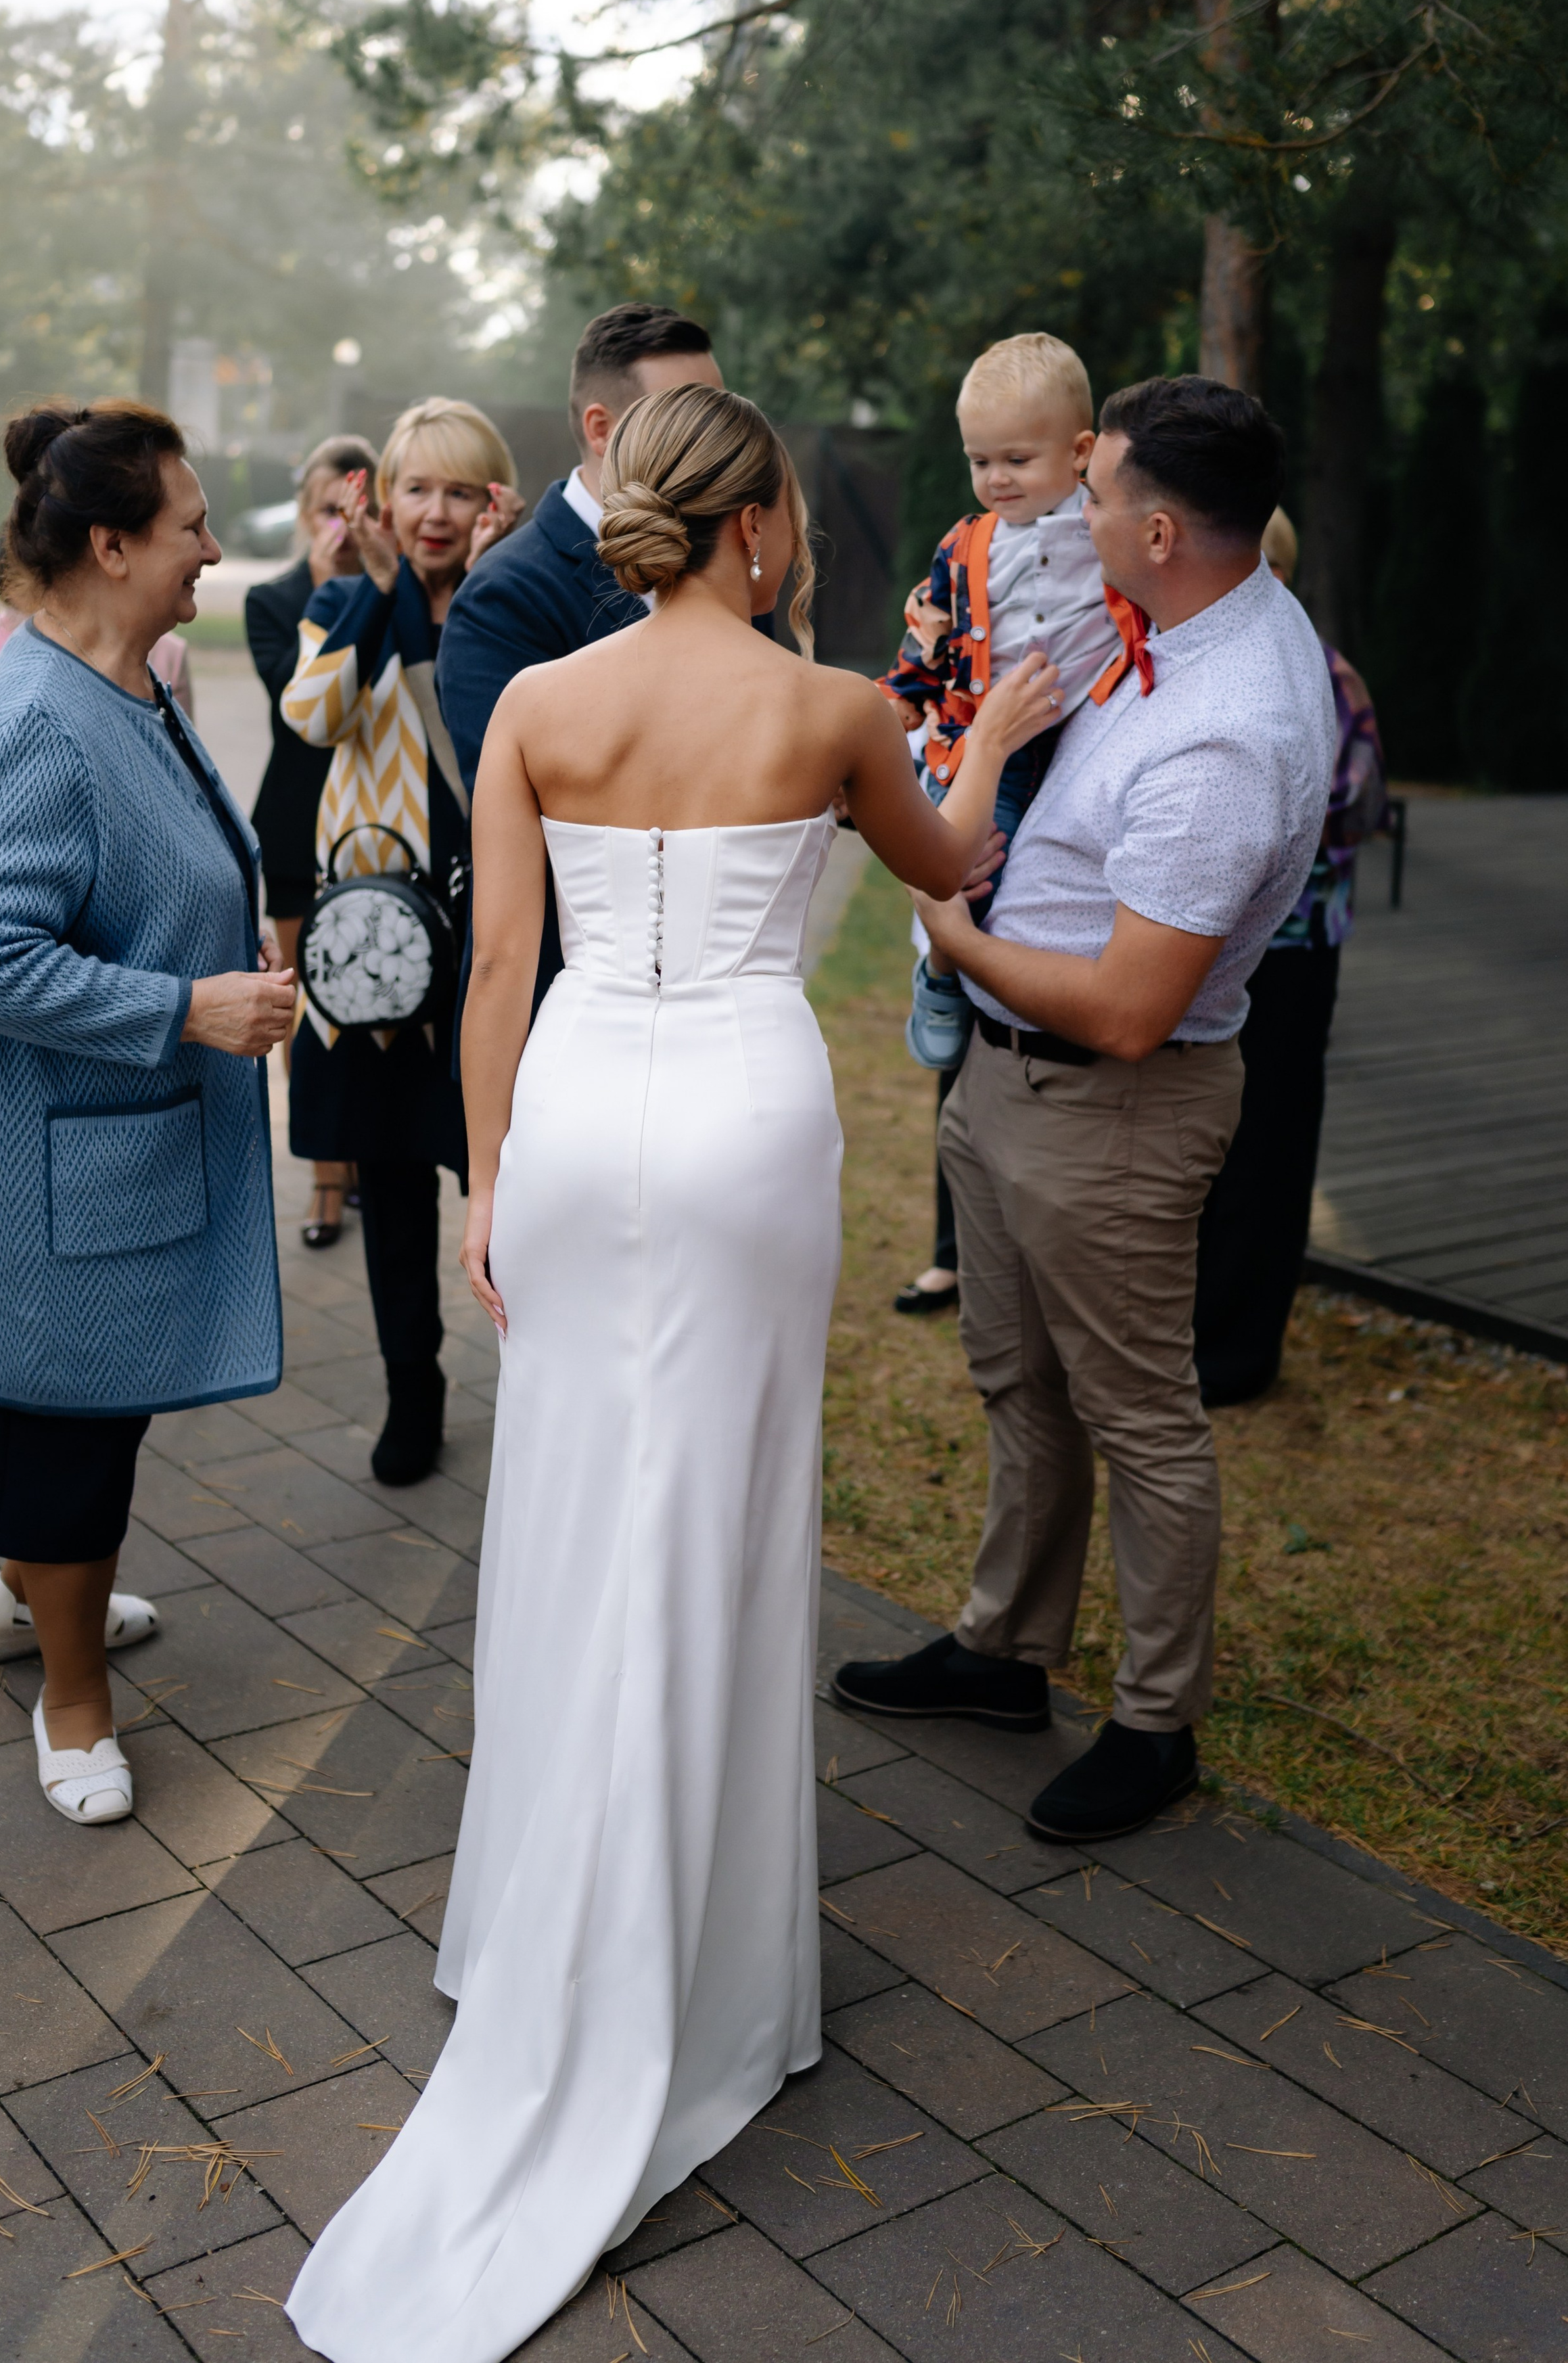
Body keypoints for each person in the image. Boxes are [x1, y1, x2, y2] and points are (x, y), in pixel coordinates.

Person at [283, 383, 1064, 2363]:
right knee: (720, 1515)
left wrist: (486, 1183)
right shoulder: (834, 714)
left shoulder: (537, 699)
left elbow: (488, 966)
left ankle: (556, 1922)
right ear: (757, 528)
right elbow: (950, 867)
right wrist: (986, 725)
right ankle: (710, 1980)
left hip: (570, 1109)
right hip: (734, 1121)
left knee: (566, 1516)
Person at [833, 375, 1336, 1843]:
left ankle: (1153, 1722)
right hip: (1009, 1079)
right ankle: (1003, 1650)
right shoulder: (1171, 626)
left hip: (1107, 1105)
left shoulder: (1226, 731)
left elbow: (1126, 1008)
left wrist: (949, 925)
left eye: (1097, 491)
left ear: (1161, 527)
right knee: (1020, 1382)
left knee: (1136, 1415)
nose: (1073, 509)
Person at [0, 400, 290, 1824]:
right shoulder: (40, 719)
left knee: (87, 1426)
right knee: (64, 1444)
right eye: (190, 523)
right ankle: (71, 1705)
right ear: (114, 544)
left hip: (101, 1162)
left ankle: (23, 1598)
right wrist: (186, 1009)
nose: (209, 547)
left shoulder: (122, 679)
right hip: (45, 1171)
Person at [279, 398, 522, 1488]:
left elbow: (481, 748)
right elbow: (311, 717)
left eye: (460, 490)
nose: (435, 512)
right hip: (373, 954)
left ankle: (539, 1386)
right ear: (381, 498)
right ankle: (411, 1387)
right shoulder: (340, 599)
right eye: (416, 487)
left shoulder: (511, 606)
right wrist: (379, 595)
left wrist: (481, 584)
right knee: (389, 1179)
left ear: (492, 504)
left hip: (486, 941)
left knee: (508, 1172)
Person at [880, 333, 1137, 1316]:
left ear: (1078, 453)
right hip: (980, 738)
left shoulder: (1106, 530)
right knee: (966, 866)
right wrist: (901, 701)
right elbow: (929, 643)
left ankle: (982, 989)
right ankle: (941, 971)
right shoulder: (965, 545)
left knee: (1027, 883)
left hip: (1070, 740)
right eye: (980, 460)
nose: (995, 479)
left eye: (1016, 461)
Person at [435, 302, 724, 1015]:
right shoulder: (504, 597)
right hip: (572, 999)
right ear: (602, 429)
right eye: (683, 416)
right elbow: (541, 820)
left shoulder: (728, 567)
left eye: (716, 413)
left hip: (715, 993)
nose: (714, 441)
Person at [1193, 506, 1388, 1404]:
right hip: (1249, 941)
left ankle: (1238, 1346)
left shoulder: (1319, 675)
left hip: (1294, 948)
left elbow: (1355, 806)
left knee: (1267, 1141)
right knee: (1229, 1139)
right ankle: (1210, 1329)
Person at [0, 536, 192, 998]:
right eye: (192, 530)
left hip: (9, 906)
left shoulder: (154, 659)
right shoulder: (29, 671)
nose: (209, 552)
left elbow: (179, 794)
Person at [244, 435, 376, 1250]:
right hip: (297, 824)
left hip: (373, 828)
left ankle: (364, 1153)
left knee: (364, 999)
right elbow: (296, 707)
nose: (344, 525)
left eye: (358, 510)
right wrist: (330, 592)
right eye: (332, 509)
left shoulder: (398, 593)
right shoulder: (271, 598)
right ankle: (328, 1176)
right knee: (306, 1008)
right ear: (307, 511)